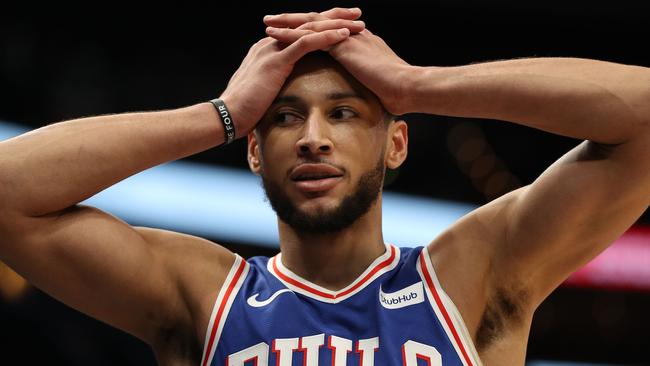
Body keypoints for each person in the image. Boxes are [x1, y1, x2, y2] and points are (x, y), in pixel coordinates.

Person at [0, 6, 649, 366]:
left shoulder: (469, 277)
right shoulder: (203, 295)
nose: (313, 136)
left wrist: (417, 86)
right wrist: (220, 113)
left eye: (344, 112)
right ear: (255, 150)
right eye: (284, 117)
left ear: (396, 142)